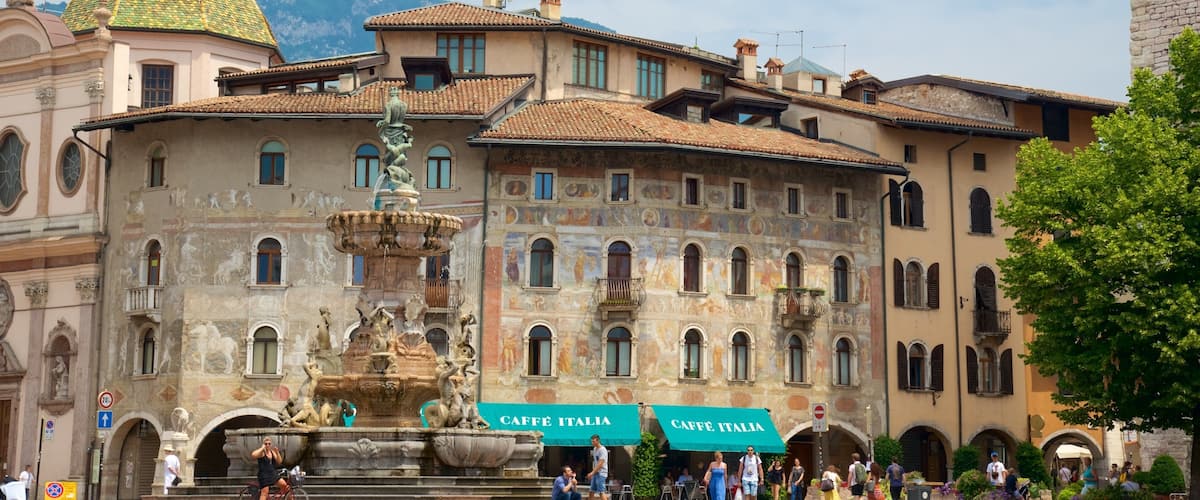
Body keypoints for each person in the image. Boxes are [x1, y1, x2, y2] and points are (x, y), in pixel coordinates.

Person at [586, 434, 609, 500]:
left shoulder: (602, 450)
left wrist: (592, 473)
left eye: (593, 441)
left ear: (598, 441)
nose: (592, 442)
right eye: (592, 441)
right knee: (591, 490)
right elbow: (595, 462)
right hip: (596, 473)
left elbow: (600, 463)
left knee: (601, 492)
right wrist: (593, 472)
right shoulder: (595, 449)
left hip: (601, 473)